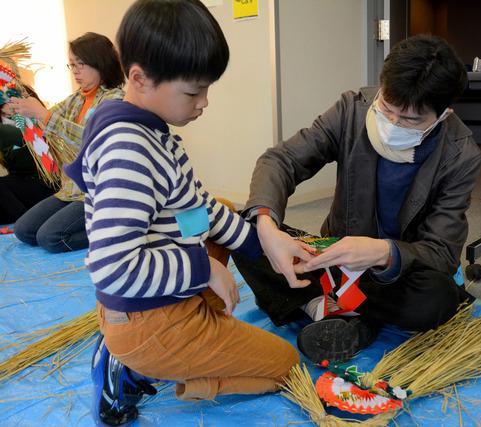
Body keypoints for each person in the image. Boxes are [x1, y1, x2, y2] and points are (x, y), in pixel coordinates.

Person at [64, 1, 299, 425]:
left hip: (156, 303)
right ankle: (134, 367)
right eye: (193, 91)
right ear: (139, 77)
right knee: (284, 365)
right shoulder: (128, 149)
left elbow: (199, 207)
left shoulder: (150, 130)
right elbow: (113, 268)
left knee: (221, 213)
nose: (204, 103)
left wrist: (261, 241)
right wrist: (203, 268)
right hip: (146, 320)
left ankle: (167, 339)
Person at [233, 34, 481, 364]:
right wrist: (267, 224)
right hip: (331, 258)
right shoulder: (352, 111)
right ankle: (334, 310)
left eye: (410, 120)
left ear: (443, 115)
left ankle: (339, 311)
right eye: (387, 109)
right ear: (381, 89)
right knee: (244, 230)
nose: (393, 124)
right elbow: (281, 161)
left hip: (397, 273)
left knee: (436, 299)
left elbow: (441, 252)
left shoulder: (460, 154)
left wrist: (383, 252)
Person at [4, 32, 124, 252]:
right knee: (23, 230)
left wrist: (43, 115)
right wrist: (19, 108)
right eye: (71, 65)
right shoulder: (77, 97)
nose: (76, 71)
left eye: (81, 64)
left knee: (50, 238)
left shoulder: (114, 99)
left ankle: (117, 229)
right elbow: (47, 120)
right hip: (70, 189)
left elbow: (90, 138)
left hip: (95, 191)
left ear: (101, 63)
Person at [0, 86, 56, 224]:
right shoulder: (6, 126)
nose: (11, 102)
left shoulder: (37, 119)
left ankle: (27, 223)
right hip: (20, 186)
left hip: (48, 184)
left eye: (13, 97)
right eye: (5, 99)